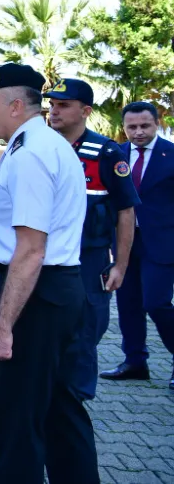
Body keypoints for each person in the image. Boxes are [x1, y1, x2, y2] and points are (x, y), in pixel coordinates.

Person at [0, 64, 98, 483]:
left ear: (13, 105)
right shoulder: (46, 143)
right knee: (61, 413)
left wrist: (2, 327)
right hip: (58, 289)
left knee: (18, 420)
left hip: (36, 294)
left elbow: (30, 250)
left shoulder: (30, 154)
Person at [46, 79, 138, 400]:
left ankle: (74, 406)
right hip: (46, 261)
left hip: (89, 263)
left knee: (84, 337)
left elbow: (126, 213)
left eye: (63, 105)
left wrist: (120, 266)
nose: (54, 111)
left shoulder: (107, 153)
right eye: (52, 104)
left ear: (85, 111)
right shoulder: (42, 148)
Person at [101, 101, 174, 390]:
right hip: (124, 242)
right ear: (125, 127)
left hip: (163, 243)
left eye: (145, 125)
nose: (138, 132)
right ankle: (135, 362)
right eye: (132, 127)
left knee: (156, 302)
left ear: (157, 123)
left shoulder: (171, 155)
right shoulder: (116, 155)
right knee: (128, 303)